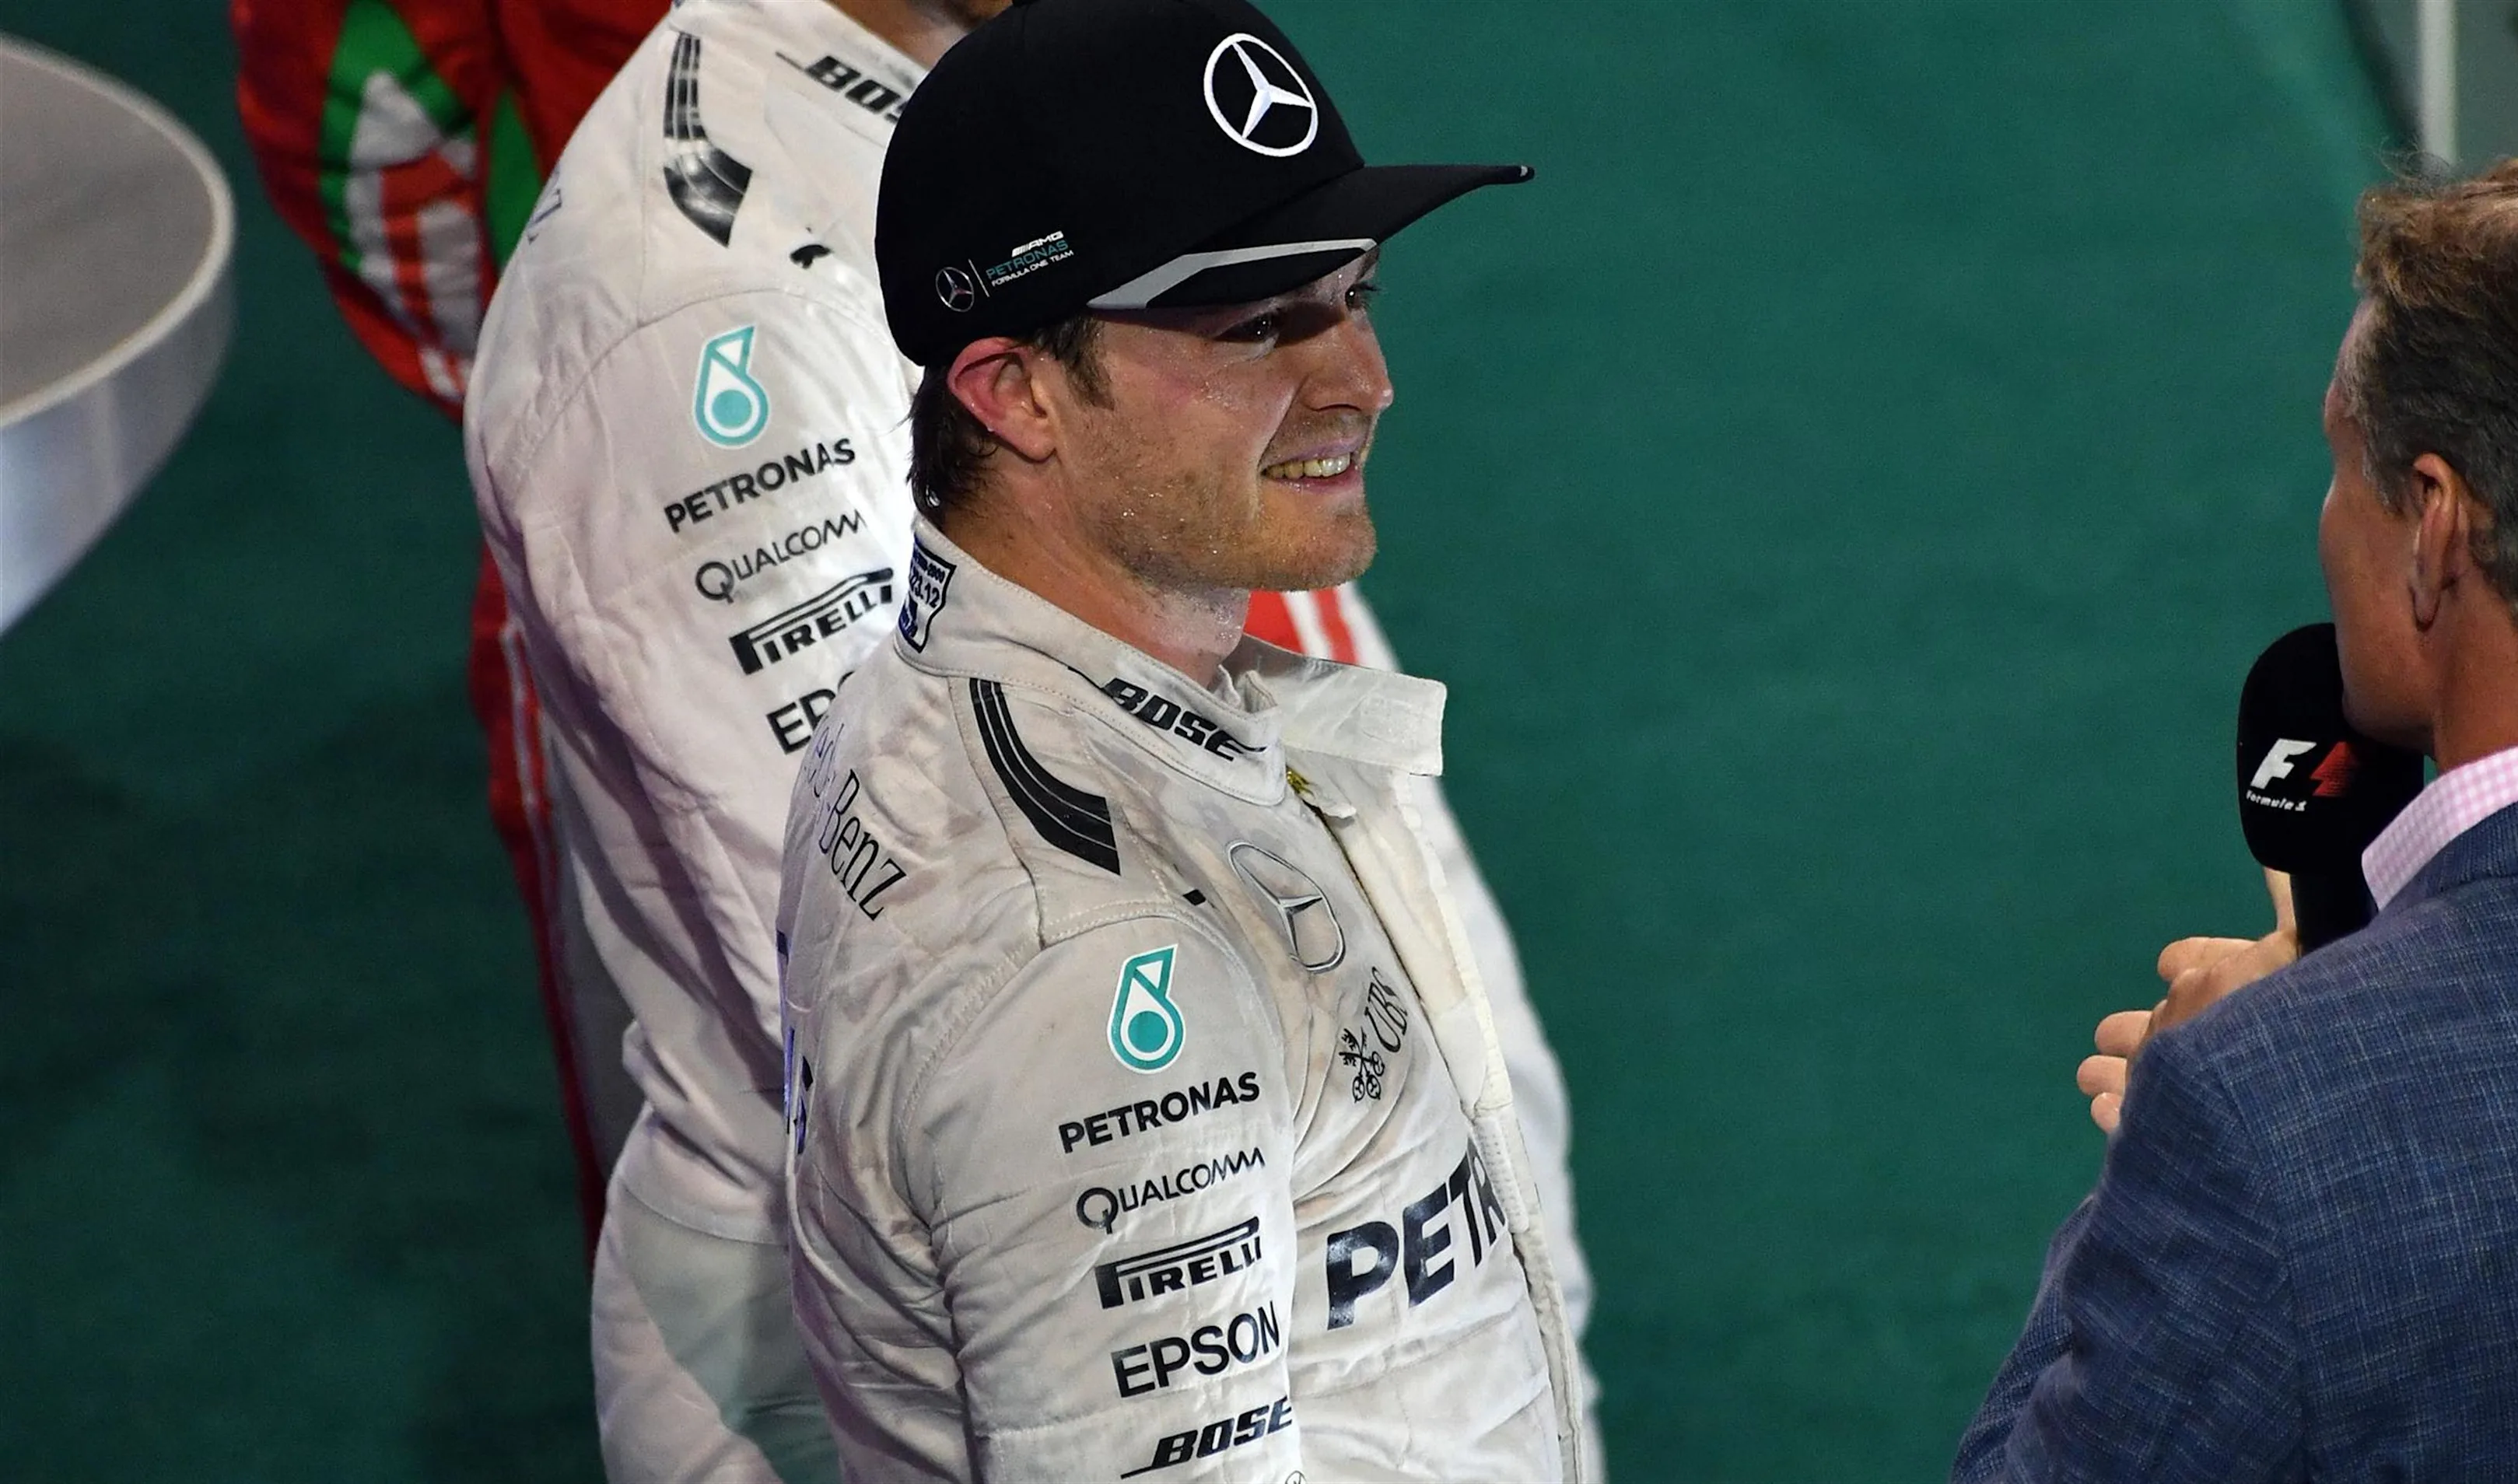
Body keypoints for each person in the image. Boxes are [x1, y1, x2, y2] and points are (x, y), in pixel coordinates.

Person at [232, 0, 1592, 1333]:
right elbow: (947, 1041)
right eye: (1256, 320)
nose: (1378, 378)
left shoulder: (1066, 87)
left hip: (1191, 607)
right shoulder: (697, 331)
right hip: (1006, 1295)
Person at [774, 1, 1588, 1479]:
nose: (1363, 380)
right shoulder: (1089, 970)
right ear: (1013, 391)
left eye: (1354, 290)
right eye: (1260, 323)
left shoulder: (1011, 713)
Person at [1957, 157, 2518, 1481]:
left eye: (2341, 463)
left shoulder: (2262, 1112)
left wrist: (2191, 1123)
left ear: (2435, 528)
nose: (2323, 523)